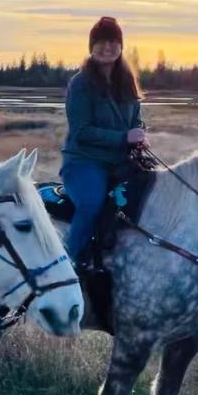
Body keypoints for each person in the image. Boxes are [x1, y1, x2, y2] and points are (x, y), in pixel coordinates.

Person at [60, 16, 145, 266]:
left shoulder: (127, 81)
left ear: (120, 46)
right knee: (90, 203)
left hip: (121, 163)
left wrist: (139, 135)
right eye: (100, 42)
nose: (107, 47)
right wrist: (123, 137)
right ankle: (68, 264)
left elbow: (136, 119)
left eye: (112, 41)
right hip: (85, 162)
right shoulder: (80, 84)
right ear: (91, 46)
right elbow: (81, 131)